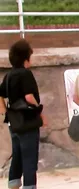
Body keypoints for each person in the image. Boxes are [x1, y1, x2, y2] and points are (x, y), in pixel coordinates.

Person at [0, 39, 47, 189]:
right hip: (27, 121)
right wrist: (39, 108)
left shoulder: (9, 76)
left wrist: (5, 111)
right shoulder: (25, 74)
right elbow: (28, 97)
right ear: (26, 57)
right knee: (29, 159)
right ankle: (29, 186)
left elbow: (0, 94)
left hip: (13, 122)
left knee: (17, 156)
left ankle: (13, 184)